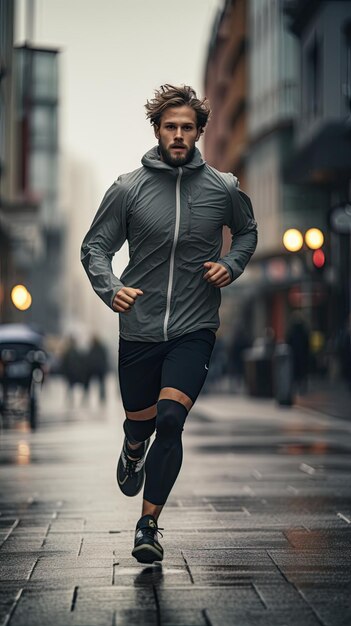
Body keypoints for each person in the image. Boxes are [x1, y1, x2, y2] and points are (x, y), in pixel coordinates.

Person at [81, 84, 257, 564]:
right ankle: (132, 446)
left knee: (171, 420)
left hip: (194, 327)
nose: (178, 135)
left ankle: (148, 524)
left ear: (199, 132)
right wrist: (111, 288)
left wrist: (233, 263)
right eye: (170, 127)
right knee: (141, 423)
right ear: (157, 131)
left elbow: (247, 232)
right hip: (138, 329)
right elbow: (95, 247)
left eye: (187, 127)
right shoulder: (127, 188)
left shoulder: (223, 188)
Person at [84, 335, 109, 403]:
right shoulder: (101, 348)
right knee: (101, 384)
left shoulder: (92, 348)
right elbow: (104, 359)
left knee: (91, 384)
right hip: (99, 369)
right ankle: (102, 397)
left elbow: (89, 358)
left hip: (94, 369)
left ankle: (87, 397)